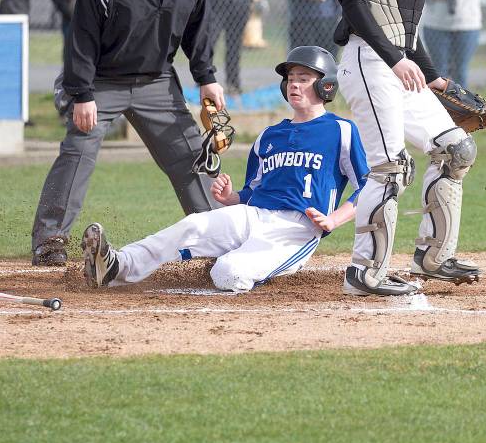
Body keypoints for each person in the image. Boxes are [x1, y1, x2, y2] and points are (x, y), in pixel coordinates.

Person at [81, 46, 368, 292]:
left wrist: (333, 220)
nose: (293, 85)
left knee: (227, 273)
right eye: (290, 79)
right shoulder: (268, 136)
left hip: (296, 229)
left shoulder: (341, 131)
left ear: (325, 86)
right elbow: (253, 192)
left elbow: (367, 185)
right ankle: (118, 265)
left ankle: (245, 264)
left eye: (303, 79)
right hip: (254, 215)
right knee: (193, 224)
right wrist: (232, 198)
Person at [31, 0, 224, 266]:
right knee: (78, 151)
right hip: (103, 80)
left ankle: (218, 237)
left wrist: (207, 78)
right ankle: (50, 240)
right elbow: (82, 41)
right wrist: (82, 95)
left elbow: (198, 34)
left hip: (157, 80)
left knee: (191, 156)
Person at [329, 0, 482, 296]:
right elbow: (354, 7)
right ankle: (364, 272)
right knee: (390, 167)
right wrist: (397, 60)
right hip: (368, 61)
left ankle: (434, 256)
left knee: (457, 150)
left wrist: (434, 76)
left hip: (400, 65)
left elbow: (407, 29)